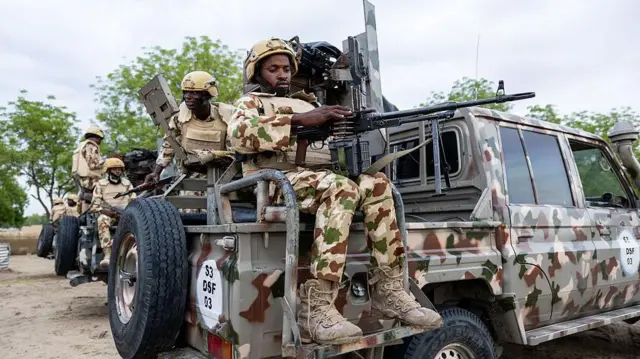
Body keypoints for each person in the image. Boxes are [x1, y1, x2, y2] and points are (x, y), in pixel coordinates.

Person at [227, 38, 442, 345]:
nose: (282, 74)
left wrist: (347, 123)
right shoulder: (250, 104)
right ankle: (316, 309)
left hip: (319, 178)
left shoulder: (310, 102)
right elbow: (238, 136)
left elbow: (333, 148)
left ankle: (390, 290)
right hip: (276, 183)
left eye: (286, 68)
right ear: (257, 73)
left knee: (378, 183)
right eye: (273, 69)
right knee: (340, 188)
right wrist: (301, 121)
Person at [144, 70, 233, 213]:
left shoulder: (226, 117)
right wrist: (156, 172)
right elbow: (169, 145)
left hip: (222, 178)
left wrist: (215, 155)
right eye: (185, 92)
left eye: (194, 93)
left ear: (207, 94)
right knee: (191, 215)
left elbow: (235, 150)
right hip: (191, 178)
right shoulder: (179, 119)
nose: (188, 97)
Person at [90, 158, 135, 268]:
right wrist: (105, 211)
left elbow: (134, 200)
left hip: (125, 213)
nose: (118, 171)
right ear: (108, 170)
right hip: (108, 213)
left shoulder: (127, 184)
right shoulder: (101, 184)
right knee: (102, 220)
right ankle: (108, 255)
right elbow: (95, 205)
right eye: (114, 169)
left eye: (119, 169)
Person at [72, 125, 105, 214]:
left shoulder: (81, 146)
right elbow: (93, 164)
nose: (100, 141)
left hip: (82, 178)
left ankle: (85, 218)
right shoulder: (91, 146)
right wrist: (106, 162)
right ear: (97, 137)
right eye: (100, 139)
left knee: (85, 198)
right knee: (104, 193)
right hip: (91, 178)